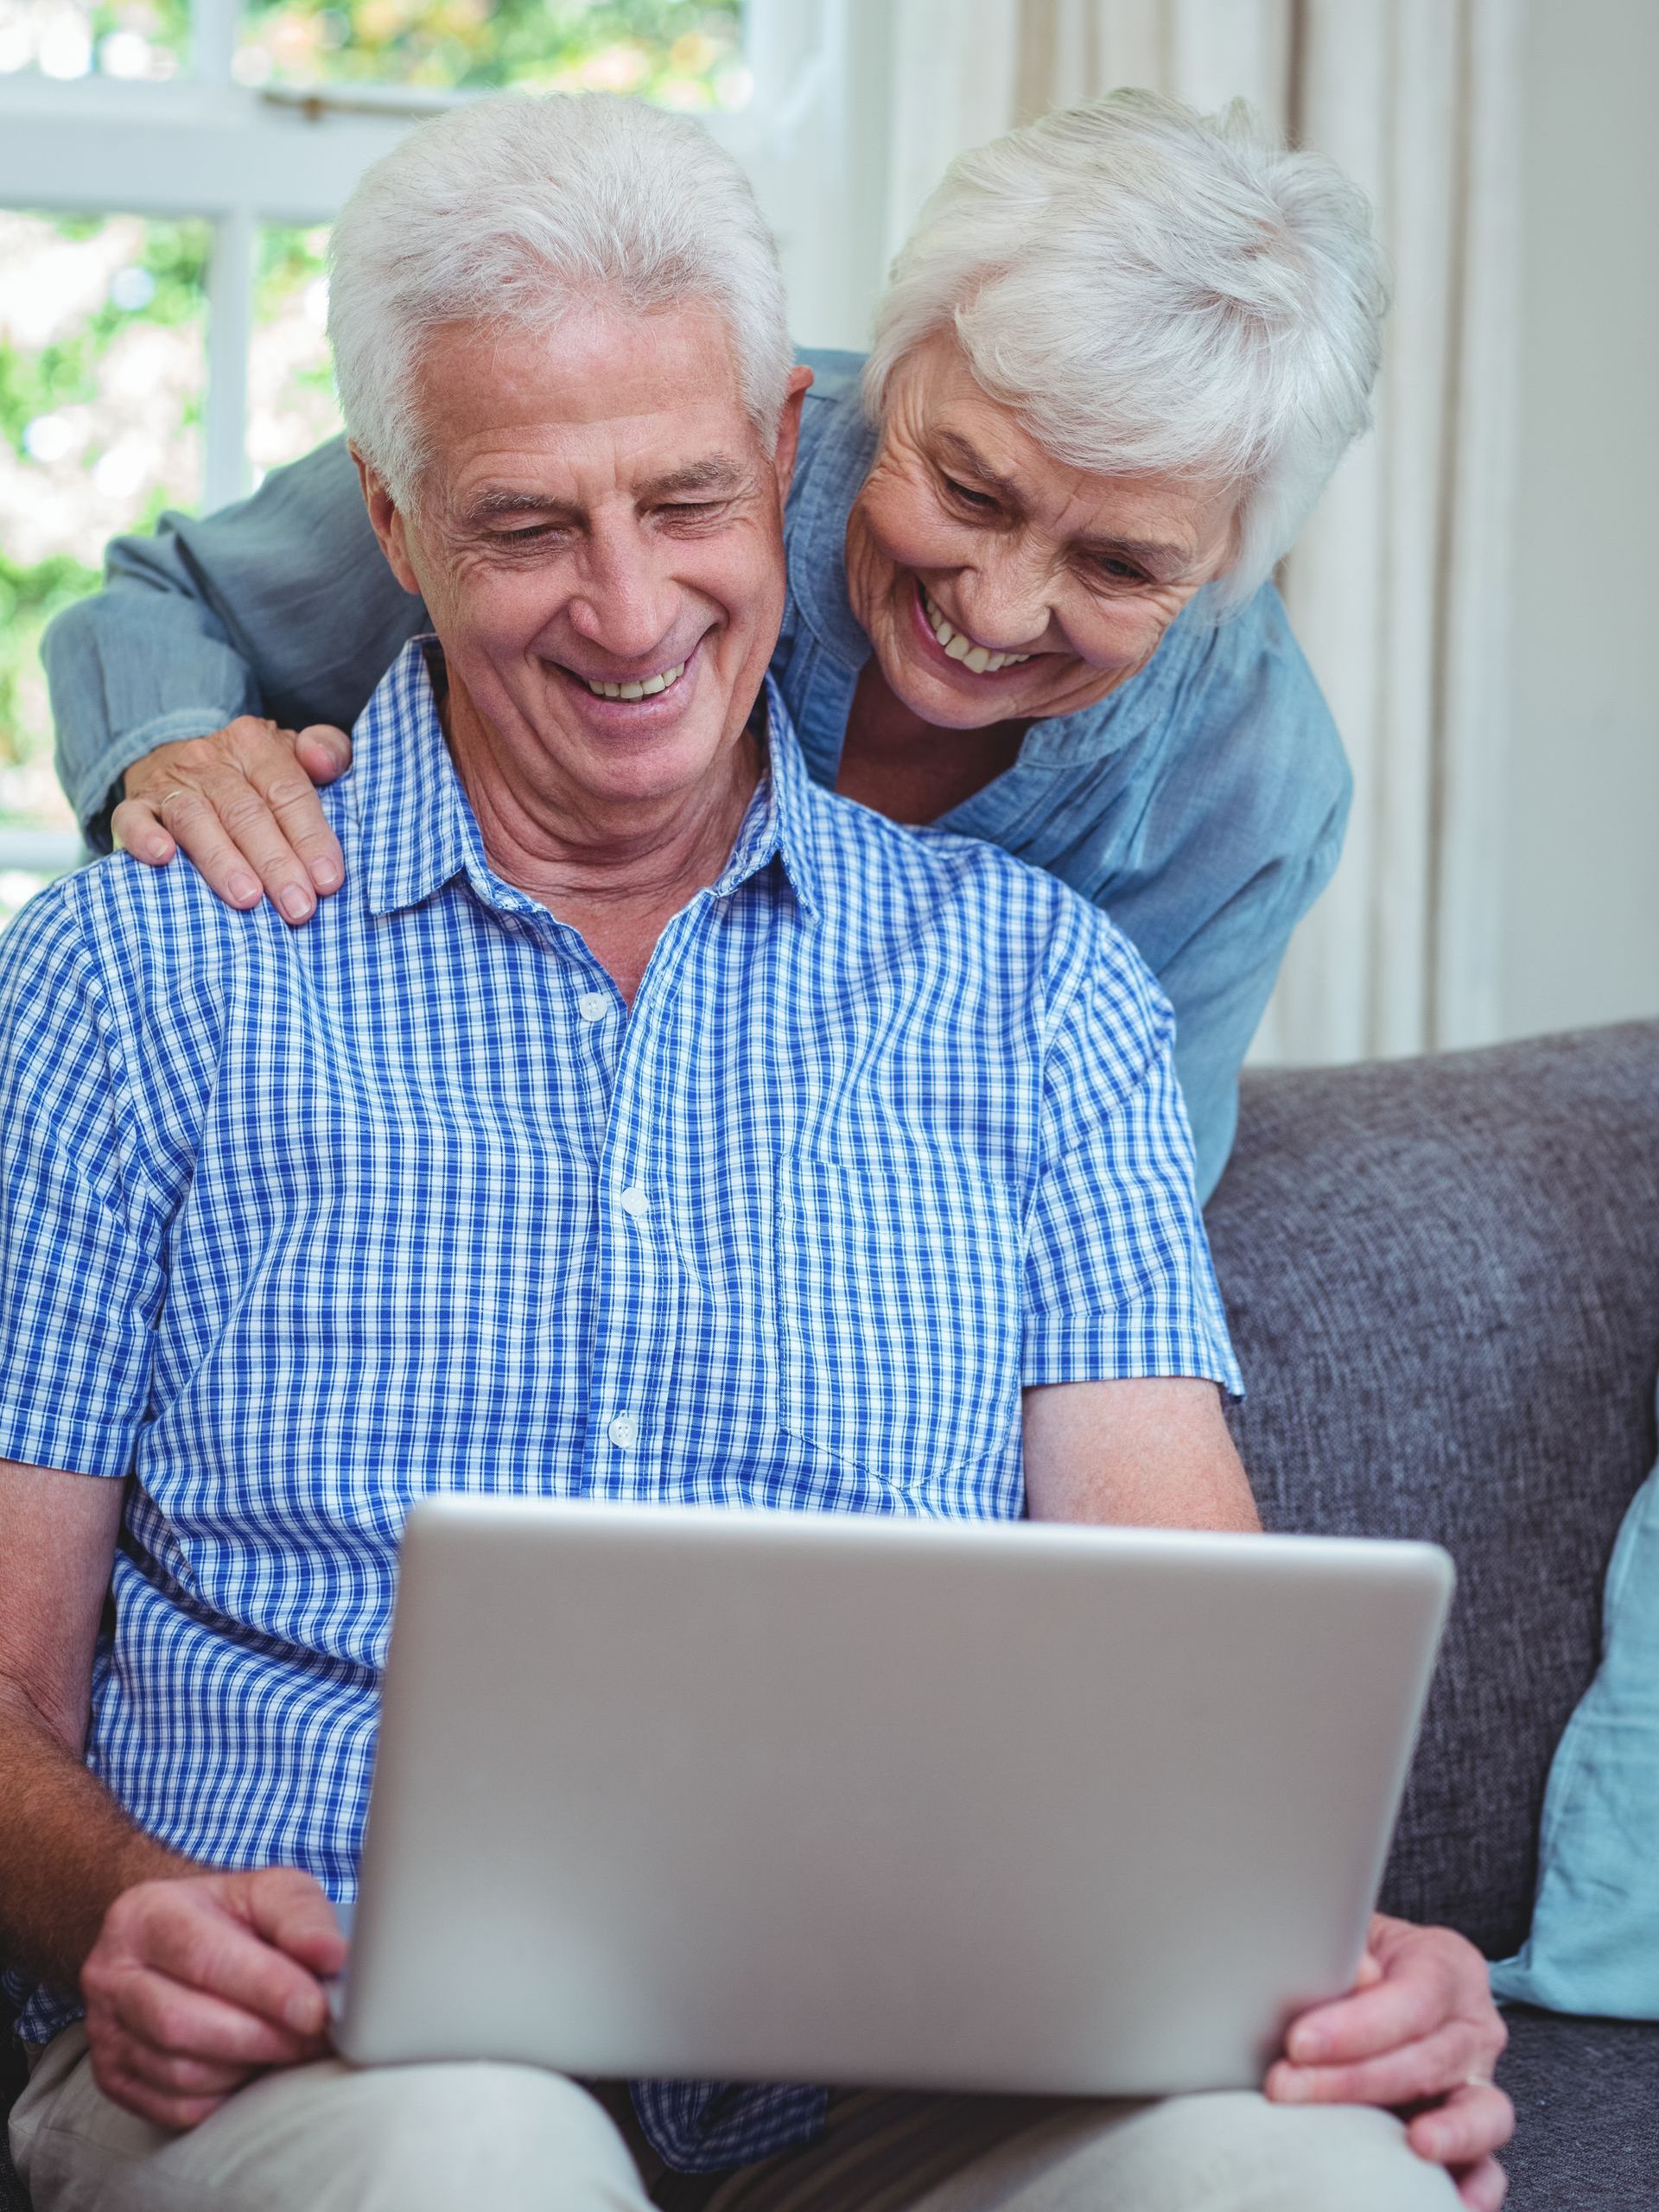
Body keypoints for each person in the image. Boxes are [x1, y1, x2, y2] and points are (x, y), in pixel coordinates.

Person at [1, 93, 1508, 2212]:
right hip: (337, 2046)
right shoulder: (142, 971)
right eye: (528, 526)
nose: (628, 610)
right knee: (477, 2150)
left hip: (902, 2065)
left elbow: (1174, 1629)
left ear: (772, 463)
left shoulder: (1071, 972)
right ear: (402, 527)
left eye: (686, 504)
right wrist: (123, 1910)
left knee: (1320, 2179)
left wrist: (1318, 1965)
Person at [43, 88, 1384, 1202]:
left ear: (1225, 566)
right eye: (970, 492)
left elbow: (1104, 1220)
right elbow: (164, 603)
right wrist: (175, 757)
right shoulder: (651, 440)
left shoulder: (1252, 785)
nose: (995, 610)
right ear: (864, 393)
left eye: (1118, 564)